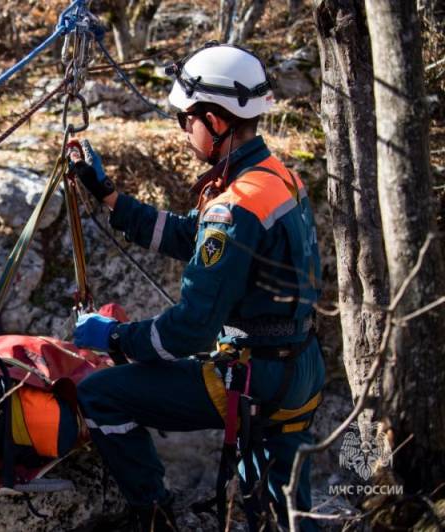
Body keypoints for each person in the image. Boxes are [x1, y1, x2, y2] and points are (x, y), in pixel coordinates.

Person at [70, 42, 324, 532]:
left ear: (217, 121)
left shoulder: (237, 204)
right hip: (300, 366)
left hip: (255, 375)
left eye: (186, 119)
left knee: (101, 395)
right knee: (284, 511)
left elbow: (188, 330)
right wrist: (109, 197)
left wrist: (117, 339)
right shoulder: (278, 179)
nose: (183, 130)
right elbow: (195, 236)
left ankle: (153, 515)